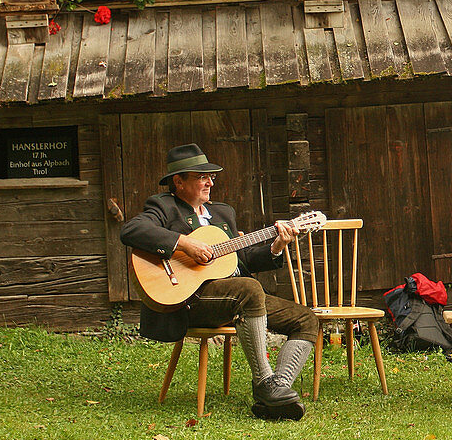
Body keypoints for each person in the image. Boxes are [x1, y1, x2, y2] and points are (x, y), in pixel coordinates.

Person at [121, 143, 320, 421]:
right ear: (179, 182)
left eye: (211, 177)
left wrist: (276, 246)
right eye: (202, 177)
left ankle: (278, 390)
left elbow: (243, 259)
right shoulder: (164, 207)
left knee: (306, 319)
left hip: (237, 294)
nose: (210, 182)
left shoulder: (223, 213)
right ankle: (264, 382)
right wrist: (184, 243)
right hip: (192, 300)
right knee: (249, 290)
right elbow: (132, 230)